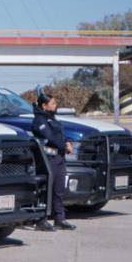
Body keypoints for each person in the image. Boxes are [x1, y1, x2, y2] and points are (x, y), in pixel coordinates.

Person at [31, 92, 76, 231]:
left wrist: (68, 141)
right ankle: (41, 220)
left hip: (59, 158)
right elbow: (49, 138)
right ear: (44, 106)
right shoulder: (39, 120)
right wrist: (64, 145)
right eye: (53, 103)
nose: (55, 106)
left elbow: (60, 134)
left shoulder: (53, 118)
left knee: (58, 190)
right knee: (46, 190)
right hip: (48, 158)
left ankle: (59, 218)